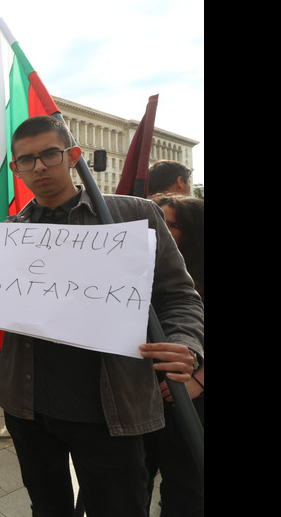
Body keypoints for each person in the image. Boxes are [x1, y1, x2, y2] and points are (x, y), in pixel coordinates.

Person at [0, 115, 203, 517]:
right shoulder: (7, 234)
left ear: (73, 156)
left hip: (108, 411)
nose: (39, 167)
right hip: (26, 406)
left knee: (119, 507)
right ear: (16, 169)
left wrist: (187, 344)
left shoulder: (133, 216)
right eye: (26, 160)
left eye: (50, 154)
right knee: (47, 507)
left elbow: (179, 296)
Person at [145, 193, 205, 516]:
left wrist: (198, 380)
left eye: (170, 226)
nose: (160, 231)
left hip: (190, 398)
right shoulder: (145, 269)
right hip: (142, 395)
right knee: (134, 480)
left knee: (184, 487)